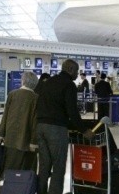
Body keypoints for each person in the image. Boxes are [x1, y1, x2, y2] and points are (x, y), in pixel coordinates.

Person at [35, 59, 93, 194]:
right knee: (58, 166)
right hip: (56, 129)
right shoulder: (69, 85)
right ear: (71, 69)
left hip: (40, 126)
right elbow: (72, 111)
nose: (77, 74)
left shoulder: (47, 82)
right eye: (77, 71)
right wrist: (84, 130)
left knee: (44, 166)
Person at [0, 71, 39, 171]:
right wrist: (34, 142)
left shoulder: (12, 94)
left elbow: (6, 115)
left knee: (9, 168)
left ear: (23, 81)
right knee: (26, 171)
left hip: (10, 137)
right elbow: (35, 122)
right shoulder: (36, 98)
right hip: (26, 139)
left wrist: (2, 133)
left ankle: (7, 185)